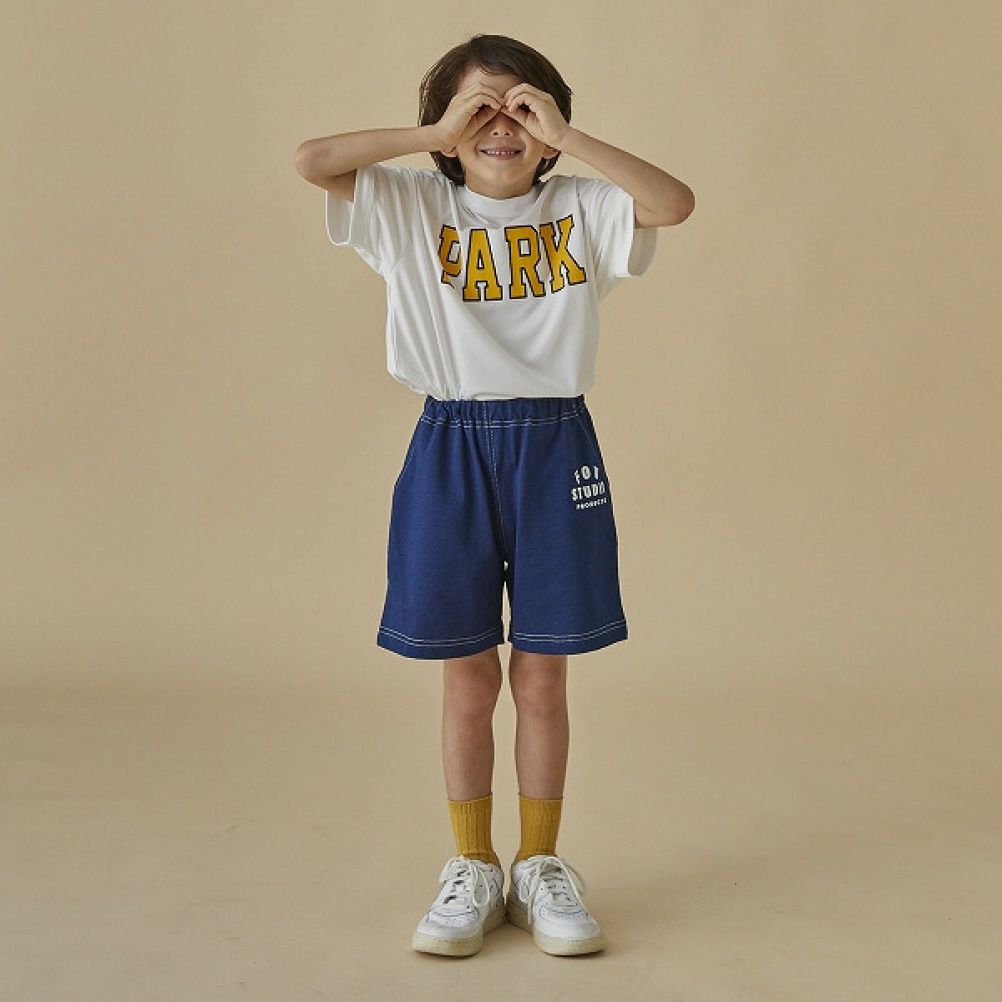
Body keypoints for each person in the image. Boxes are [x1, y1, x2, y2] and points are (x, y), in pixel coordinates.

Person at [294, 33, 694, 958]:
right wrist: (433, 132)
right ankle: (472, 864)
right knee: (468, 673)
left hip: (555, 445)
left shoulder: (583, 207)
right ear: (446, 124)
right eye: (480, 107)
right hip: (450, 443)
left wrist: (568, 137)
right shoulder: (411, 202)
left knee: (543, 673)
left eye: (521, 107)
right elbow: (313, 160)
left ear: (550, 125)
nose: (500, 125)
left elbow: (672, 204)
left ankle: (540, 863)